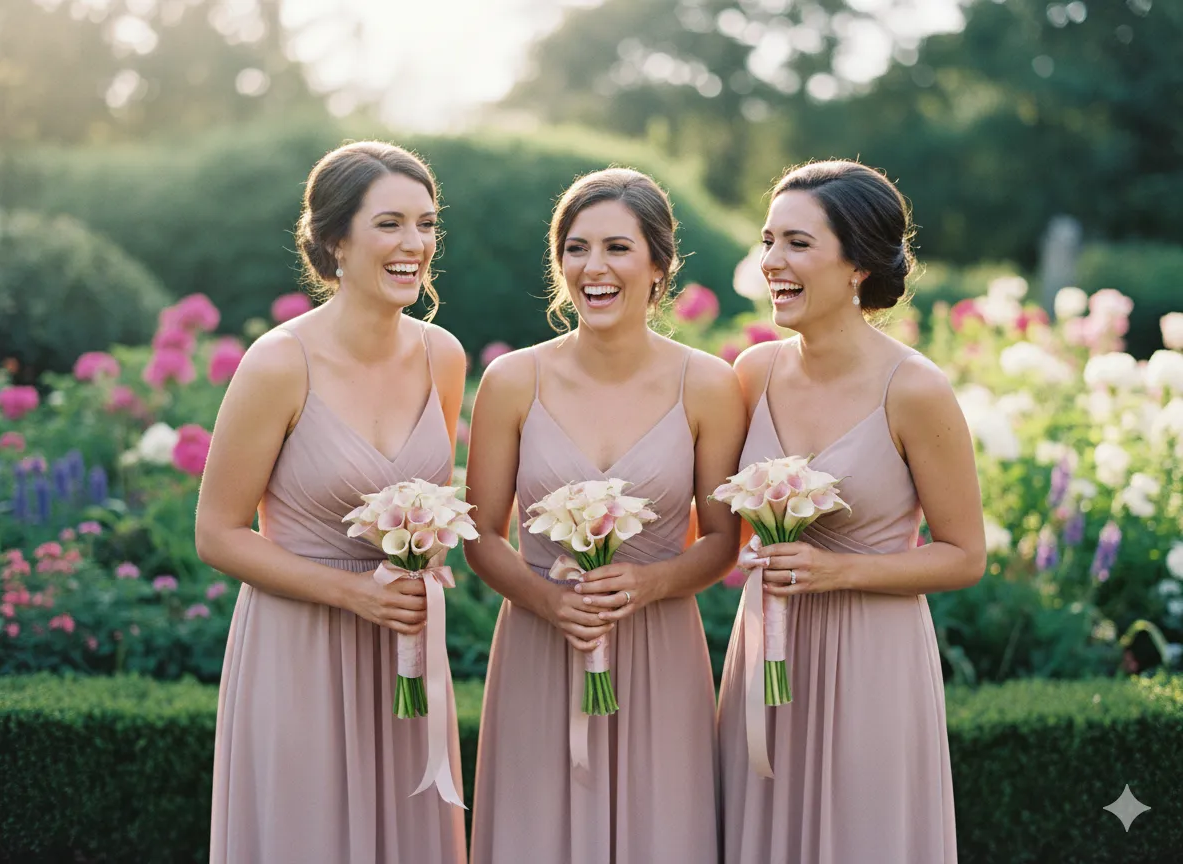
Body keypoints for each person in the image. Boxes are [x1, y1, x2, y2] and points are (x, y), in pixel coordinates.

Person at [195, 141, 468, 864]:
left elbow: (434, 500)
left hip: (405, 651)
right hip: (300, 650)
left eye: (426, 223)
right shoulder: (280, 364)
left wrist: (426, 557)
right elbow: (218, 532)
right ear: (334, 241)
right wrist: (353, 595)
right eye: (390, 224)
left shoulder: (444, 356)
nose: (414, 243)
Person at [464, 168, 745, 864]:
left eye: (618, 248)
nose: (594, 267)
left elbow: (721, 543)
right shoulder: (512, 382)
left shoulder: (708, 384)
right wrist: (547, 600)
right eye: (576, 248)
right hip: (539, 643)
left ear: (659, 266)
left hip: (660, 648)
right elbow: (481, 536)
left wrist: (650, 584)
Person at [717, 160, 986, 864]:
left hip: (872, 658)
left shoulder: (915, 390)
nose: (772, 261)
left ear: (859, 265)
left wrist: (837, 569)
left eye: (798, 244)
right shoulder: (751, 375)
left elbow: (964, 555)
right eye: (769, 240)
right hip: (765, 648)